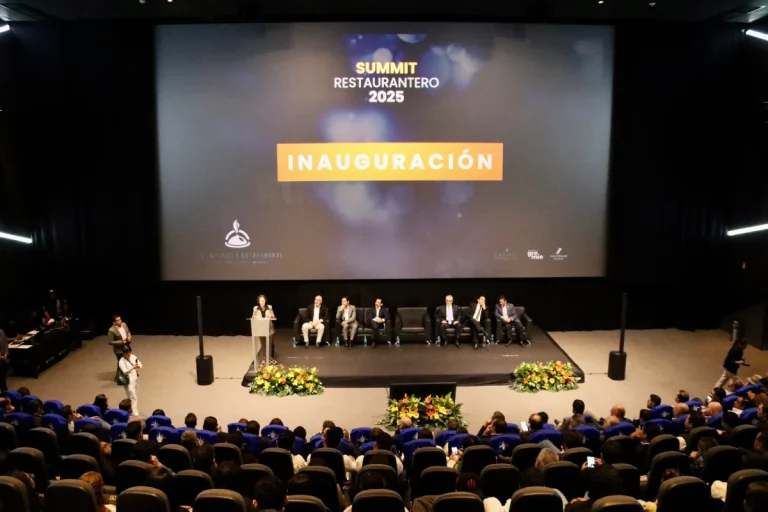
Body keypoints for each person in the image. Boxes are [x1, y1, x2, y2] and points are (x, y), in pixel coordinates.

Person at [118, 348, 142, 417]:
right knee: (132, 397)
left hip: (134, 380)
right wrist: (133, 367)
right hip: (128, 382)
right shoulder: (121, 361)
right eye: (126, 353)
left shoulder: (133, 356)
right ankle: (135, 413)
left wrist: (138, 366)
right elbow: (125, 371)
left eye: (129, 352)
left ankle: (130, 410)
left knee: (132, 397)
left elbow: (140, 364)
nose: (128, 354)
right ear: (123, 353)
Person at [252, 295, 277, 364]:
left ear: (265, 301)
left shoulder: (269, 307)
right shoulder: (256, 308)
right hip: (261, 329)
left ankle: (271, 358)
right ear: (258, 302)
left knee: (270, 344)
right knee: (263, 344)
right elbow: (253, 317)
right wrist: (255, 318)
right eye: (261, 301)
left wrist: (271, 316)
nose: (262, 302)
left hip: (269, 328)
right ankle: (265, 358)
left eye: (263, 300)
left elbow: (273, 316)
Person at [0, 327, 9, 392]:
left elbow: (5, 343)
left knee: (3, 379)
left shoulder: (1, 332)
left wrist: (6, 353)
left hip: (2, 360)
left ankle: (5, 393)